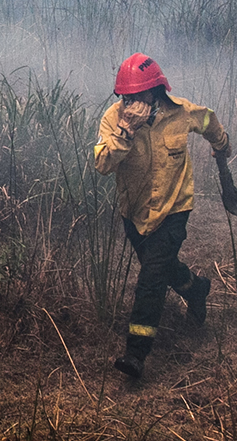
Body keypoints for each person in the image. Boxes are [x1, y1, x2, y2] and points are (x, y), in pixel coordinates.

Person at [92, 53, 228, 380]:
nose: (130, 103)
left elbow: (208, 121)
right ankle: (195, 288)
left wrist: (221, 145)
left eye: (137, 96)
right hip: (135, 213)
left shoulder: (181, 113)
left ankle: (136, 354)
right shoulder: (114, 119)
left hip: (174, 210)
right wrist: (126, 131)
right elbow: (102, 165)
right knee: (163, 268)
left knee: (150, 281)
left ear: (155, 92)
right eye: (125, 97)